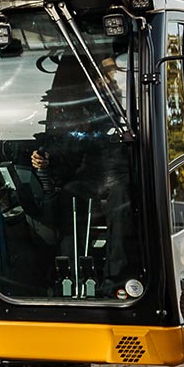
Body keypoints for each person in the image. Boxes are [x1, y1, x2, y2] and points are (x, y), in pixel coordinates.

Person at [30, 44, 137, 295]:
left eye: (109, 73)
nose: (106, 79)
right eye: (102, 74)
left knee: (122, 202)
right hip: (92, 176)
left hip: (124, 175)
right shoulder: (90, 106)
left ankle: (115, 280)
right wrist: (49, 159)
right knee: (68, 195)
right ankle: (68, 273)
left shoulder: (131, 106)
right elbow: (76, 141)